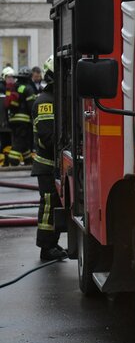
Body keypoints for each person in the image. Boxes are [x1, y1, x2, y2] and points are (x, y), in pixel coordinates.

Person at [31, 57, 66, 261]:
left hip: (53, 165)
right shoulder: (45, 102)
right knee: (48, 206)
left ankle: (52, 244)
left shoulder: (53, 98)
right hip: (46, 166)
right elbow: (47, 138)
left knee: (53, 205)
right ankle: (46, 248)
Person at [7, 66, 37, 166]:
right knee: (20, 141)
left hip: (13, 119)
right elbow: (31, 106)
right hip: (23, 120)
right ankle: (13, 160)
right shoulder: (28, 88)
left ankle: (28, 160)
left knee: (23, 140)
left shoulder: (15, 86)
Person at [0, 66, 15, 165]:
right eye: (8, 77)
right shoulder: (1, 89)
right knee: (3, 143)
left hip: (11, 123)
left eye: (12, 77)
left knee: (10, 144)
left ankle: (7, 162)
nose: (10, 79)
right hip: (2, 123)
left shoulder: (14, 88)